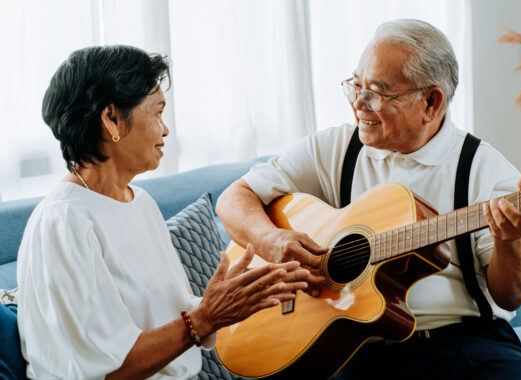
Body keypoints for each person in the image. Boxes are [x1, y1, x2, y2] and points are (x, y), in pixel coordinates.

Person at [216, 19, 521, 379]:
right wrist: (272, 240)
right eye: (356, 86)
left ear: (431, 102)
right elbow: (234, 198)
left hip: (467, 342)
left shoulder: (491, 172)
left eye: (376, 92)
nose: (358, 103)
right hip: (357, 344)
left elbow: (511, 297)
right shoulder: (335, 148)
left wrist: (509, 242)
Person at [16, 45, 310, 380]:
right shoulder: (63, 221)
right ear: (111, 119)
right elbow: (104, 372)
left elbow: (169, 317)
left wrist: (237, 297)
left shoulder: (139, 201)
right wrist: (205, 318)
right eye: (156, 113)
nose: (165, 130)